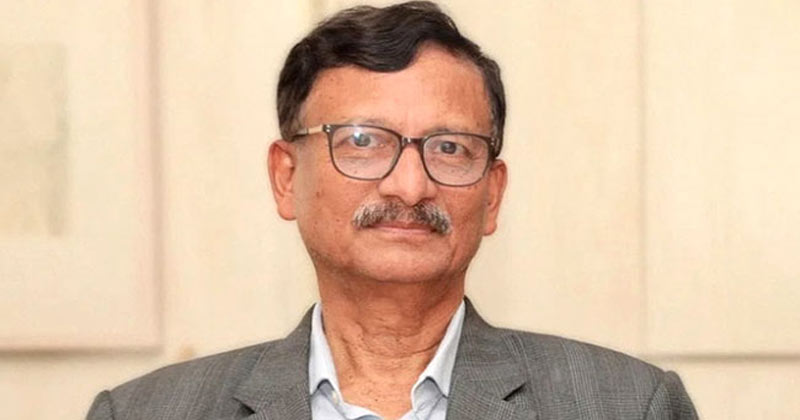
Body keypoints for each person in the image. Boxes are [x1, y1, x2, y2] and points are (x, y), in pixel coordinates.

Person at [87, 2, 697, 419]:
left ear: (492, 194)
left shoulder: (626, 405)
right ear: (286, 177)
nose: (409, 186)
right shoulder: (144, 412)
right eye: (362, 142)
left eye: (450, 148)